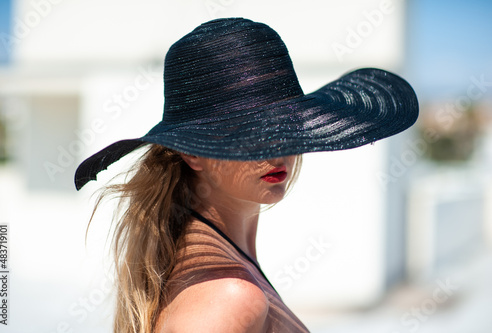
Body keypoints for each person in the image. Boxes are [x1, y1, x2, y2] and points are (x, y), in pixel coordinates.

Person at [75, 17, 418, 333]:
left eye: (285, 127)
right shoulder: (230, 296)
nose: (277, 151)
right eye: (250, 134)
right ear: (193, 152)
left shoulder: (226, 267)